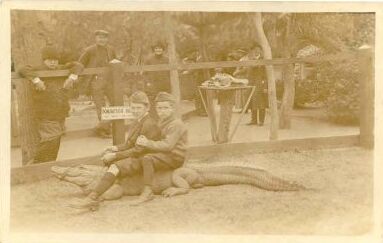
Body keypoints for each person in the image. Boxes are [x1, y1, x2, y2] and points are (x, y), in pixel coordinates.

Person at [69, 92, 187, 209]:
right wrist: (114, 148)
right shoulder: (141, 122)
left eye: (139, 108)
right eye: (133, 108)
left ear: (147, 107)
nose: (162, 111)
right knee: (112, 163)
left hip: (162, 156)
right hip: (151, 153)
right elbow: (130, 143)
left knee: (124, 163)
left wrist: (116, 155)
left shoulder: (151, 124)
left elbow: (152, 147)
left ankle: (95, 197)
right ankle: (98, 196)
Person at [19, 45, 84, 163]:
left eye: (55, 59)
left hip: (60, 112)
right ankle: (36, 164)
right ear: (44, 60)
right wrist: (36, 80)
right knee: (51, 139)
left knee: (55, 140)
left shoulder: (61, 68)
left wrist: (72, 77)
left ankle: (47, 165)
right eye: (50, 60)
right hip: (45, 113)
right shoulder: (37, 69)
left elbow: (79, 65)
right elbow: (22, 69)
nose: (53, 62)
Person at [78, 29, 117, 138]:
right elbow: (80, 64)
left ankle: (102, 127)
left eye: (104, 37)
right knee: (101, 107)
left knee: (116, 103)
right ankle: (104, 131)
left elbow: (116, 63)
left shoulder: (111, 50)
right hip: (96, 82)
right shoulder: (89, 50)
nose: (102, 40)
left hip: (110, 82)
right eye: (100, 37)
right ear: (96, 38)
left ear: (107, 39)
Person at [234, 43, 268, 126]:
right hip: (251, 83)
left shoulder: (264, 60)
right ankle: (253, 120)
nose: (256, 51)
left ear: (261, 50)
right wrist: (237, 72)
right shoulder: (250, 59)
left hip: (260, 83)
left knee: (261, 103)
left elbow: (266, 74)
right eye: (254, 50)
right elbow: (247, 69)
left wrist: (265, 86)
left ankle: (261, 121)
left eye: (258, 50)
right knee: (252, 101)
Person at [143, 41, 171, 112]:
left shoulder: (167, 59)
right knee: (153, 103)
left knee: (165, 101)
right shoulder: (149, 60)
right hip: (153, 85)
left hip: (165, 85)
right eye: (156, 48)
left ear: (163, 49)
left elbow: (170, 72)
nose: (158, 50)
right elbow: (144, 73)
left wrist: (169, 81)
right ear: (154, 49)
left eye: (160, 48)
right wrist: (148, 82)